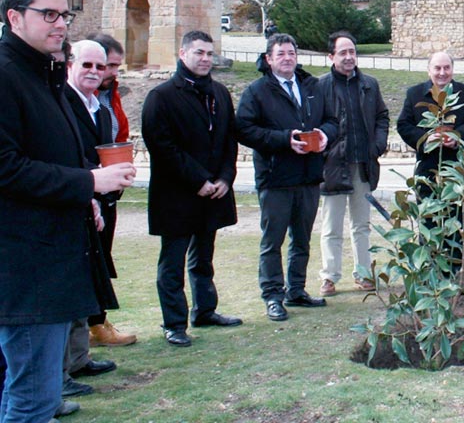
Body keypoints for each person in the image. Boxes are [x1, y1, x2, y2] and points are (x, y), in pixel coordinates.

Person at [0, 0, 134, 422]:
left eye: (65, 15)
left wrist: (85, 197)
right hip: (26, 265)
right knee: (33, 399)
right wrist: (89, 183)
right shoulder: (7, 74)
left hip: (52, 255)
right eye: (49, 14)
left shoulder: (45, 72)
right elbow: (7, 168)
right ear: (15, 17)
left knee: (32, 392)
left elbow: (51, 151)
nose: (61, 24)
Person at [142, 30, 243, 347]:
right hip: (178, 194)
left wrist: (225, 178)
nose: (205, 59)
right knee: (172, 263)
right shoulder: (162, 97)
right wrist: (198, 180)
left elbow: (229, 140)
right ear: (182, 53)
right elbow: (162, 146)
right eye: (199, 53)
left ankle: (205, 311)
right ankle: (174, 323)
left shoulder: (220, 93)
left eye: (210, 54)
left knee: (203, 258)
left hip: (213, 192)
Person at [236, 34, 338, 321]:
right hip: (276, 177)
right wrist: (283, 139)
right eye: (280, 54)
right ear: (269, 59)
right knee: (273, 241)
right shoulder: (257, 92)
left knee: (302, 239)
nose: (287, 58)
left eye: (291, 53)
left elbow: (333, 121)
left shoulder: (312, 86)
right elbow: (244, 129)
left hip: (308, 176)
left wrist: (324, 134)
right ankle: (272, 295)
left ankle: (296, 290)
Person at [61, 40, 120, 397]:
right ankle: (63, 370)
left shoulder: (98, 105)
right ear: (70, 64)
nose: (95, 73)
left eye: (101, 67)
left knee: (88, 280)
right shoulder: (62, 101)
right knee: (70, 286)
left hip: (96, 201)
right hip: (74, 198)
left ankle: (80, 358)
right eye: (87, 65)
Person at [317, 31, 389, 296]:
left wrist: (378, 145)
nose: (349, 57)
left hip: (363, 166)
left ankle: (363, 273)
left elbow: (382, 116)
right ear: (331, 56)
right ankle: (329, 276)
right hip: (334, 167)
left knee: (361, 225)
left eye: (352, 52)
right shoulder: (320, 86)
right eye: (343, 52)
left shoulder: (369, 84)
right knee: (331, 226)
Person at [397, 51, 464, 267]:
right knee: (428, 223)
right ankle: (429, 274)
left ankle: (454, 274)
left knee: (456, 223)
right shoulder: (415, 94)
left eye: (446, 68)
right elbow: (403, 125)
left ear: (452, 69)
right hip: (427, 171)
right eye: (437, 68)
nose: (442, 73)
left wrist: (457, 137)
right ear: (429, 70)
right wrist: (426, 139)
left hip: (457, 170)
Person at [85, 32, 136, 347]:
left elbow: (119, 128)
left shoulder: (109, 95)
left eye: (115, 66)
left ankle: (97, 321)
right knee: (91, 257)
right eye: (109, 65)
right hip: (90, 183)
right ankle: (93, 325)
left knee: (103, 257)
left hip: (110, 186)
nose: (112, 72)